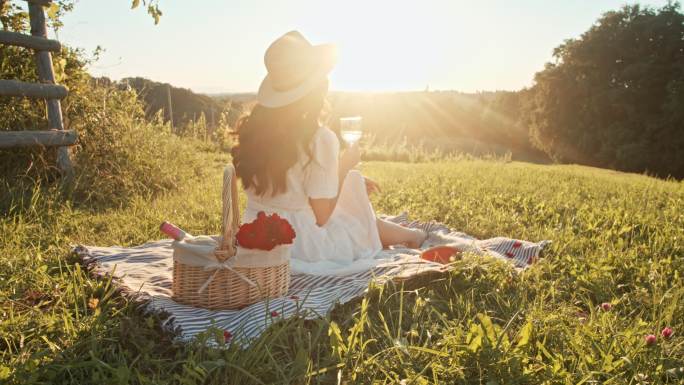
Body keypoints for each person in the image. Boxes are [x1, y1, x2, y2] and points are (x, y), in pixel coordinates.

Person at [231, 31, 428, 274]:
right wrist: (345, 166)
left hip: (256, 235)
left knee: (350, 192)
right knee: (354, 222)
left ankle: (411, 234)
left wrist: (343, 175)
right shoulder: (319, 138)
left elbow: (295, 185)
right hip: (301, 244)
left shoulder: (254, 130)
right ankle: (413, 236)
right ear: (317, 89)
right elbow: (321, 216)